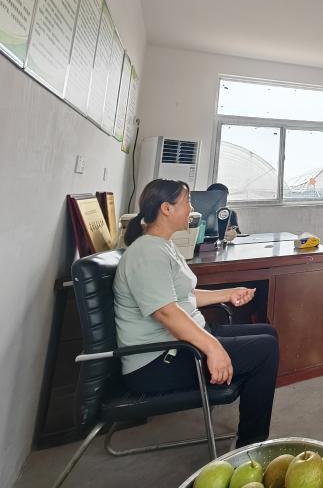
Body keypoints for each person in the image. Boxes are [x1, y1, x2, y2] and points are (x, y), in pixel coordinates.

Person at [114, 178, 279, 448]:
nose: (192, 208)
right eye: (187, 202)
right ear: (166, 208)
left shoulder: (162, 245)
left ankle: (246, 411)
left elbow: (184, 296)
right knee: (265, 350)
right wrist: (213, 348)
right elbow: (166, 314)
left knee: (268, 333)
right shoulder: (147, 252)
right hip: (156, 362)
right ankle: (250, 446)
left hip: (179, 344)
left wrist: (228, 293)